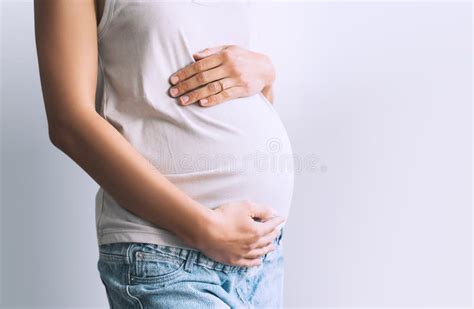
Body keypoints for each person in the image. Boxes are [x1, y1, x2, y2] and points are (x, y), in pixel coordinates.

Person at [34, 0, 294, 307]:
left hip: (259, 255)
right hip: (165, 254)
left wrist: (265, 74)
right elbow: (69, 123)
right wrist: (205, 228)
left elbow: (223, 100)